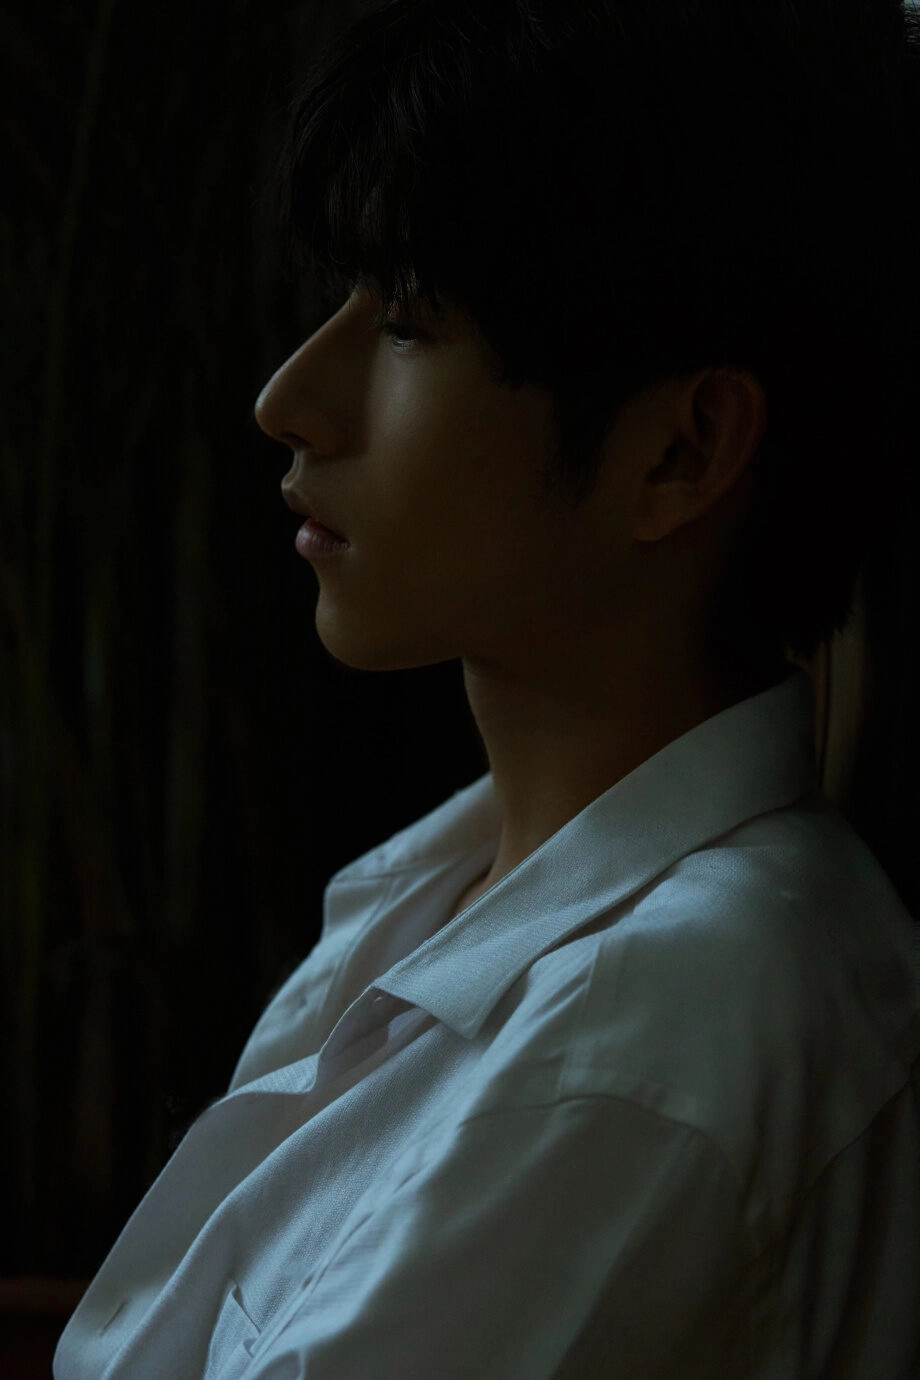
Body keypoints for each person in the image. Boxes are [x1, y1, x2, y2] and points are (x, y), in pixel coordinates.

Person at [55, 1, 920, 1376]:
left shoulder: (645, 1039)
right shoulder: (451, 891)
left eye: (407, 322)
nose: (289, 398)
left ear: (682, 450)